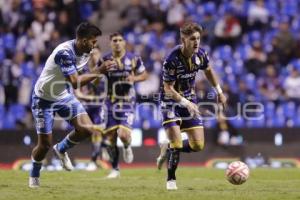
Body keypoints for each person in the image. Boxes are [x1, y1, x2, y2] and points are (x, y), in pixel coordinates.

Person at [29, 22, 115, 188]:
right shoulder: (64, 53)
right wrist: (99, 71)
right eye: (92, 41)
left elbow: (82, 76)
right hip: (43, 99)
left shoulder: (86, 52)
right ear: (82, 40)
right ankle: (34, 175)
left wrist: (102, 72)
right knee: (44, 144)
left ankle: (61, 149)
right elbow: (75, 81)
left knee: (87, 129)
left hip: (62, 95)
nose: (94, 45)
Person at [156, 22, 227, 190]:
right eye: (192, 39)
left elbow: (208, 70)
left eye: (198, 38)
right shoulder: (171, 60)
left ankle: (167, 148)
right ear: (183, 40)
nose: (196, 42)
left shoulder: (201, 55)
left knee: (197, 145)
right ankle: (171, 181)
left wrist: (219, 91)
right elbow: (168, 88)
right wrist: (185, 103)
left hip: (189, 99)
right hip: (170, 102)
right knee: (177, 142)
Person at [98, 32, 148, 178]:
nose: (118, 43)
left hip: (127, 101)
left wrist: (134, 78)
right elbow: (95, 74)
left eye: (120, 40)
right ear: (110, 43)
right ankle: (115, 169)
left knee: (123, 134)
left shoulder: (133, 59)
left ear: (124, 42)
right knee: (111, 137)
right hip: (110, 101)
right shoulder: (105, 59)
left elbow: (145, 75)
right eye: (114, 40)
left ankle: (127, 146)